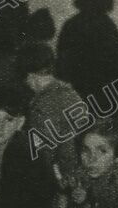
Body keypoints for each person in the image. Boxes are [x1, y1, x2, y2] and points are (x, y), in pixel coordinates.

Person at [22, 42, 82, 191]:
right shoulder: (71, 93)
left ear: (29, 75)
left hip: (62, 178)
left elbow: (44, 155)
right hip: (83, 173)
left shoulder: (41, 107)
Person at [56, 0, 118, 104]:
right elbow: (115, 60)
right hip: (101, 87)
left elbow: (62, 60)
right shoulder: (108, 26)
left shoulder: (71, 24)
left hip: (76, 87)